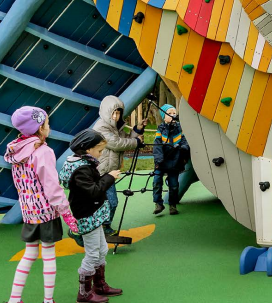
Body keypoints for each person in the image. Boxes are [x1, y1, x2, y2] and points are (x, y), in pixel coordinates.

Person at [4, 107, 78, 303]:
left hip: (29, 212)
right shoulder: (43, 152)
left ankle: (14, 299)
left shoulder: (16, 150)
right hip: (46, 212)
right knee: (48, 255)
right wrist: (66, 213)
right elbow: (52, 187)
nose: (49, 126)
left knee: (29, 254)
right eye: (46, 123)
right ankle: (48, 300)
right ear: (39, 128)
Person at [59, 129, 123, 302]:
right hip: (88, 215)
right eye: (99, 150)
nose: (101, 154)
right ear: (88, 149)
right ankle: (84, 292)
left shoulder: (84, 163)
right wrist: (109, 177)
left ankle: (99, 285)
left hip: (94, 214)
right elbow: (93, 191)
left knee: (102, 249)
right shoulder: (81, 169)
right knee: (93, 254)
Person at [94, 96, 145, 236]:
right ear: (106, 112)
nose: (116, 117)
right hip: (100, 172)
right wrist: (136, 142)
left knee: (109, 202)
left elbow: (126, 139)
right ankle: (102, 227)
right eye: (113, 113)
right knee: (109, 202)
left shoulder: (116, 128)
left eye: (118, 113)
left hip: (109, 171)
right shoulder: (101, 127)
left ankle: (103, 227)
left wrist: (137, 130)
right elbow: (116, 143)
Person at [152, 104, 190, 216]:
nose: (173, 115)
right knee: (156, 181)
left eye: (174, 113)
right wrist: (159, 160)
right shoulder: (160, 129)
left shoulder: (179, 128)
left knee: (174, 185)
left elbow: (185, 142)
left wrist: (183, 147)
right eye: (170, 113)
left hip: (175, 162)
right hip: (162, 161)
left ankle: (172, 205)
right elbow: (157, 146)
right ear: (164, 117)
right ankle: (158, 204)